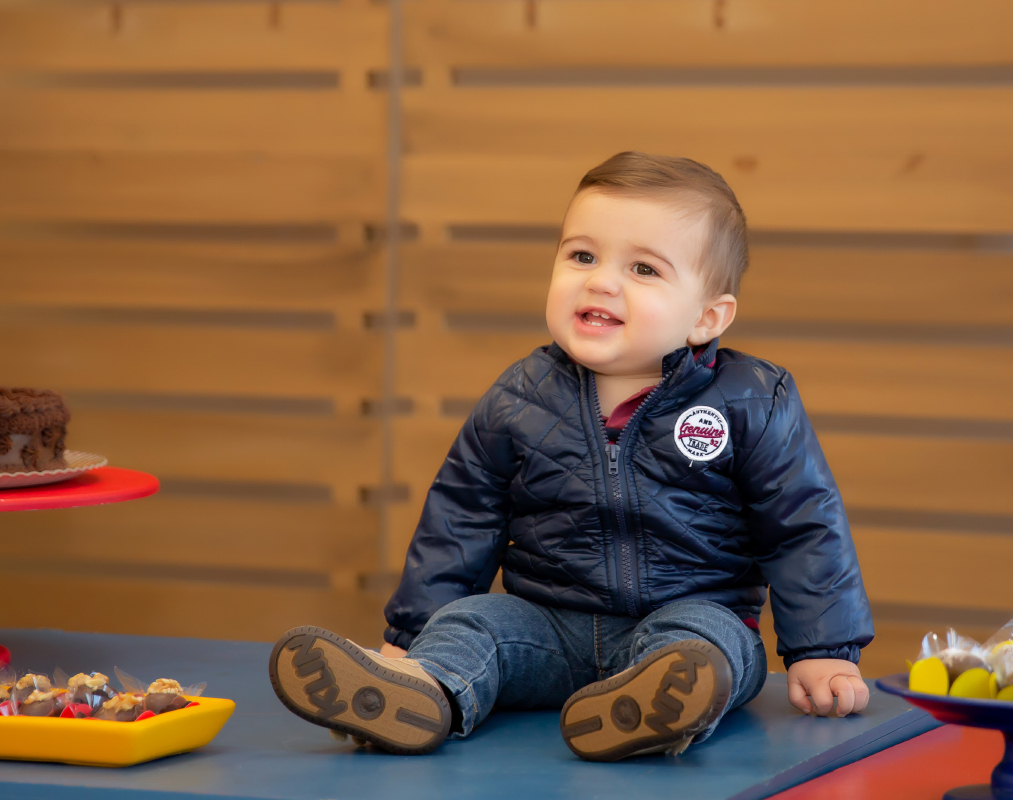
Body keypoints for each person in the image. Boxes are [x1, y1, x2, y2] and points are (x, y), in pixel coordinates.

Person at [269, 152, 874, 762]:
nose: (601, 281)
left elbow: (802, 524)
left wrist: (823, 649)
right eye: (582, 256)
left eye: (643, 268)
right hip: (546, 626)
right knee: (473, 624)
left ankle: (653, 708)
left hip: (692, 614)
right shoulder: (519, 396)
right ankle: (418, 691)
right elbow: (460, 518)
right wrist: (410, 637)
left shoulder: (751, 401)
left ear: (706, 317)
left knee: (709, 647)